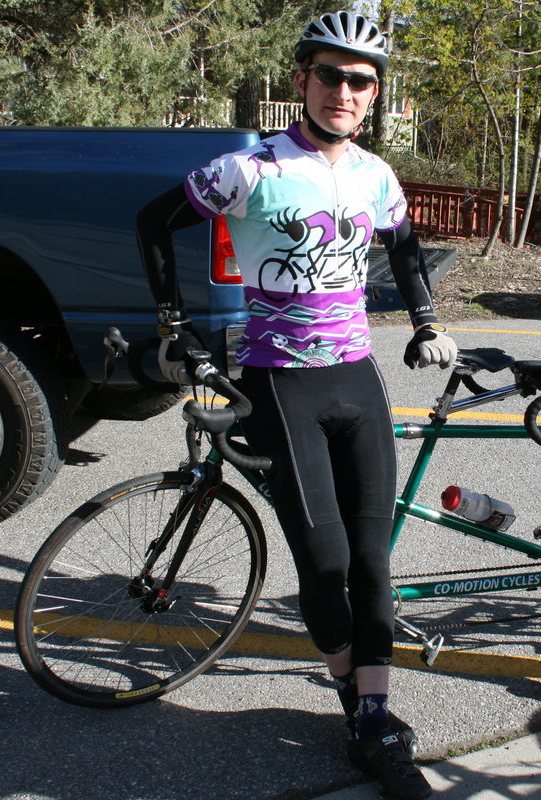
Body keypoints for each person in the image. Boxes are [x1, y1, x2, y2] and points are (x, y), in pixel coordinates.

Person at [137, 11, 453, 799]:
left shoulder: (378, 174)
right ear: (302, 80)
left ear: (374, 93)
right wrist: (176, 323)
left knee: (376, 561)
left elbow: (405, 248)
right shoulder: (254, 169)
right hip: (279, 385)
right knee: (328, 561)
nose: (344, 91)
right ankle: (354, 695)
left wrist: (423, 322)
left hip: (356, 378)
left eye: (361, 80)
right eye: (330, 75)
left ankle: (373, 714)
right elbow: (155, 222)